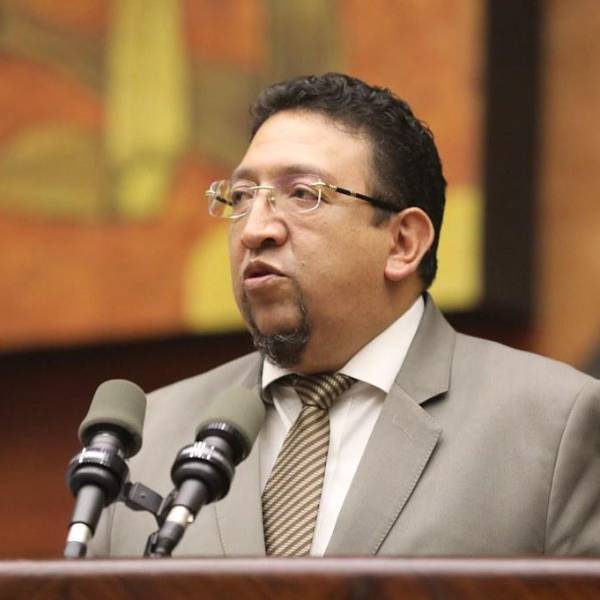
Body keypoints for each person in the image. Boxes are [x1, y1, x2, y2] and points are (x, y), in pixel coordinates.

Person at [90, 72, 600, 557]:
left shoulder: (554, 424)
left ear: (403, 243)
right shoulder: (146, 438)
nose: (255, 230)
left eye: (303, 195)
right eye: (242, 197)